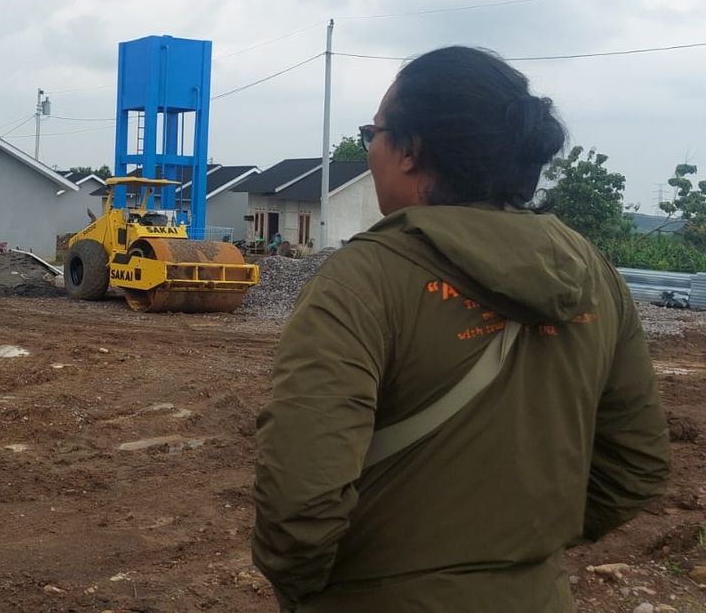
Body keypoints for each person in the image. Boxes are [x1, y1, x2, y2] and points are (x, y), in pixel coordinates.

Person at [251, 46, 669, 612]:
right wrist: (518, 559)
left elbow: (300, 500)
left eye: (373, 132)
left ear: (411, 151)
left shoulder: (362, 280)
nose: (368, 147)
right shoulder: (594, 274)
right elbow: (636, 467)